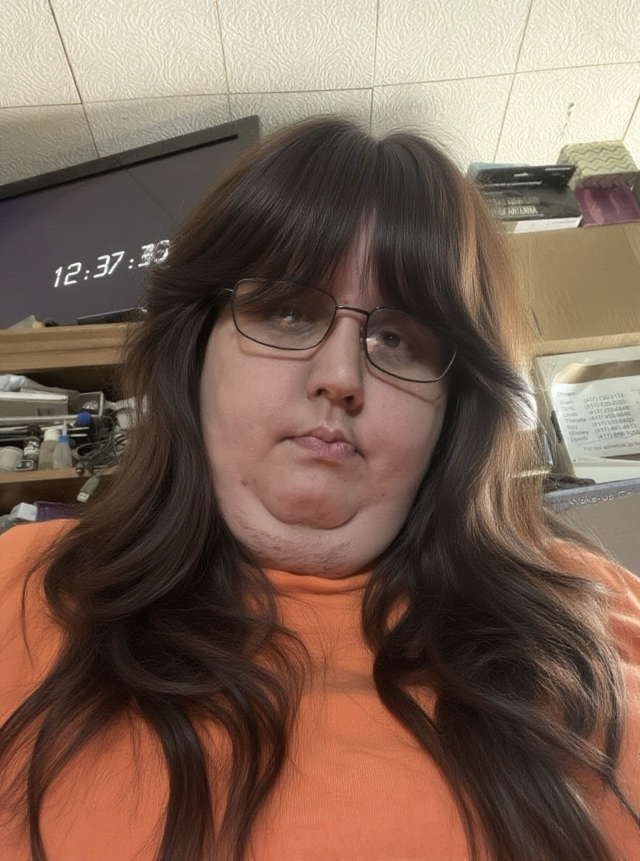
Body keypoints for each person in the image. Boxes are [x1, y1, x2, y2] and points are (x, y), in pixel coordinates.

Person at [0, 116, 639, 861]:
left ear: (454, 408)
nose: (339, 376)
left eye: (397, 338)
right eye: (287, 311)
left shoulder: (601, 616)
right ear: (196, 350)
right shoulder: (22, 581)